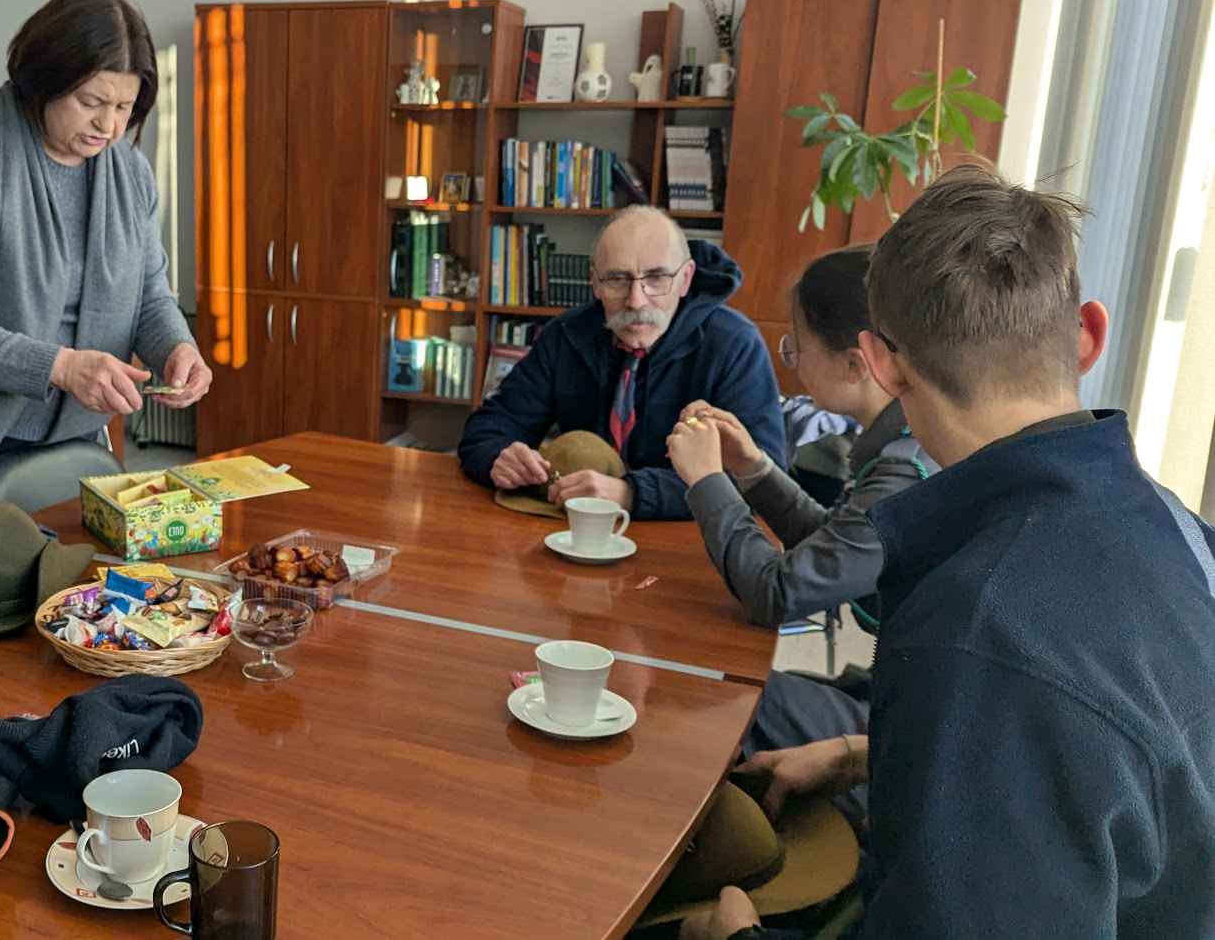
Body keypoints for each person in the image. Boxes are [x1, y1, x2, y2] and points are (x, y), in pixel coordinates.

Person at [684, 166, 1215, 938]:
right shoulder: (1182, 531)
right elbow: (1124, 769)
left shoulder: (975, 629)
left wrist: (736, 937)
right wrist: (863, 753)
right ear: (1088, 335)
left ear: (883, 362)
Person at [0, 0, 212, 507]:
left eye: (124, 107)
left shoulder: (129, 169)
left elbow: (148, 292)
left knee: (70, 558)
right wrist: (62, 368)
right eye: (91, 102)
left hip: (72, 424)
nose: (108, 125)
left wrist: (177, 348)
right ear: (43, 79)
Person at [666, 247, 935, 795]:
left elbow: (777, 592)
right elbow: (833, 546)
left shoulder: (904, 471)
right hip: (899, 693)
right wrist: (754, 469)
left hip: (905, 738)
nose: (791, 361)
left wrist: (707, 481)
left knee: (717, 694)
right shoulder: (904, 441)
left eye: (796, 345)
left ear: (856, 363)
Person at [458, 207, 784, 520]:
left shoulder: (734, 343)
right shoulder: (566, 334)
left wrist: (633, 494)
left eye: (656, 278)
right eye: (617, 279)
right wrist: (498, 456)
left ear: (686, 279)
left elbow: (761, 481)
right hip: (576, 529)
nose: (636, 301)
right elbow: (489, 427)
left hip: (690, 537)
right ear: (595, 283)